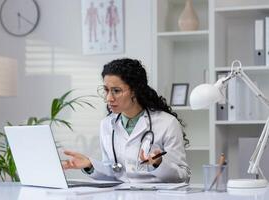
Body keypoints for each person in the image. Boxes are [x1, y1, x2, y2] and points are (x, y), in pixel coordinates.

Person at [62, 58, 191, 183]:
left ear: (134, 91)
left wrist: (159, 164)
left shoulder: (167, 123)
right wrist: (90, 165)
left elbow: (183, 176)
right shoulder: (107, 125)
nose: (109, 98)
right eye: (106, 90)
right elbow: (114, 172)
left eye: (116, 91)